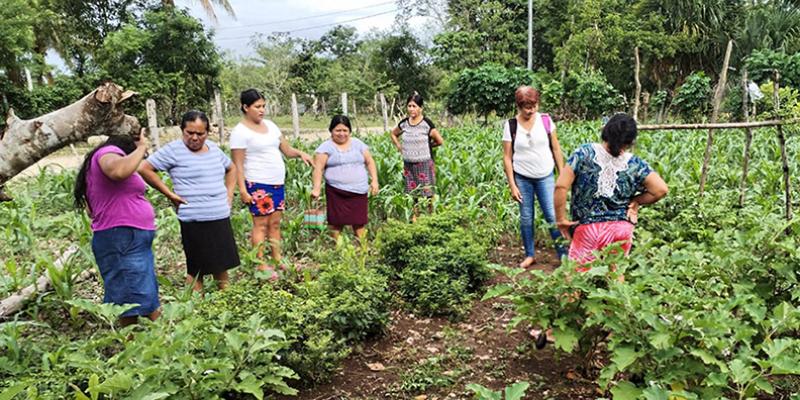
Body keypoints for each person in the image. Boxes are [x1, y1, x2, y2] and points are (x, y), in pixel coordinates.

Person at [138, 110, 239, 292]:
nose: (195, 138)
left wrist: (229, 194)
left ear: (207, 133)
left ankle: (227, 304)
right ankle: (196, 311)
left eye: (200, 134)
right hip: (194, 217)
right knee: (196, 268)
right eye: (189, 133)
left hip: (219, 214)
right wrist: (170, 194)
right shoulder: (173, 150)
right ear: (182, 130)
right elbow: (145, 168)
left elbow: (231, 168)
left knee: (221, 265)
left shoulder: (213, 149)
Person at [554, 113, 668, 267]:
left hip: (589, 229)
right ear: (629, 141)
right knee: (615, 276)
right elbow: (661, 189)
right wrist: (636, 200)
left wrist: (561, 220)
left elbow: (561, 186)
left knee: (576, 278)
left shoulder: (584, 154)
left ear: (606, 131)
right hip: (621, 228)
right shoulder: (635, 164)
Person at [73, 133, 160, 326]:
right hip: (121, 236)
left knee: (136, 290)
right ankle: (157, 341)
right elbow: (118, 171)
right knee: (131, 294)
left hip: (126, 236)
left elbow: (91, 208)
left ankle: (152, 341)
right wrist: (141, 147)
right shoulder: (108, 152)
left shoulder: (103, 157)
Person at [230, 89, 312, 278]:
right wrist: (242, 190)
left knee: (275, 223)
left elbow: (287, 150)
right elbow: (238, 165)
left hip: (277, 182)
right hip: (257, 183)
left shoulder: (271, 126)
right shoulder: (240, 132)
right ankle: (260, 264)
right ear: (245, 107)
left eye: (263, 106)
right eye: (257, 107)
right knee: (260, 225)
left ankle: (277, 259)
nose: (262, 110)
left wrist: (301, 154)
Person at [502, 86, 567, 269]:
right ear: (519, 106)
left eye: (533, 106)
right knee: (526, 217)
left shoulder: (546, 121)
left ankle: (563, 255)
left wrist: (561, 173)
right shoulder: (511, 125)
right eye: (526, 107)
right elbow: (507, 157)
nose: (530, 110)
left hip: (545, 175)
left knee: (552, 215)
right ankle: (530, 255)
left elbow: (556, 148)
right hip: (522, 178)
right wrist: (512, 185)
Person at [311, 115, 379, 240]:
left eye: (345, 130)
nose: (341, 134)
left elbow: (370, 161)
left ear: (349, 131)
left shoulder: (358, 144)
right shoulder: (325, 147)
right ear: (331, 131)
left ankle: (363, 248)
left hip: (359, 190)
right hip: (336, 191)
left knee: (359, 222)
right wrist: (316, 188)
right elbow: (318, 169)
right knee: (336, 223)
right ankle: (339, 249)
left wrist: (374, 181)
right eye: (338, 130)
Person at [390, 92, 444, 220]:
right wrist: (399, 146)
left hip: (424, 163)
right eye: (409, 106)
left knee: (428, 192)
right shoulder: (404, 123)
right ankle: (415, 217)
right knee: (412, 193)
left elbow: (439, 141)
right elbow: (393, 134)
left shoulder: (426, 124)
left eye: (414, 106)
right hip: (409, 164)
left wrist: (428, 146)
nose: (411, 109)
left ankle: (431, 216)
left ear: (420, 108)